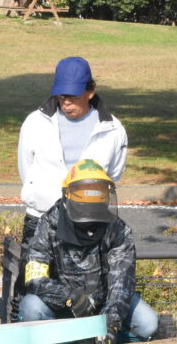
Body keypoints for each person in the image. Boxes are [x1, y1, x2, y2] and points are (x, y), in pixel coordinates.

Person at [20, 159, 157, 344]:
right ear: (67, 200)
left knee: (148, 324)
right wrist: (69, 296)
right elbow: (34, 277)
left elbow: (121, 282)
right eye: (83, 207)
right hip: (61, 305)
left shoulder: (118, 230)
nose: (89, 215)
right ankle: (69, 339)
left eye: (95, 208)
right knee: (31, 309)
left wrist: (110, 324)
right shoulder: (48, 225)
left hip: (104, 304)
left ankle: (101, 338)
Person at [16, 57, 128, 243]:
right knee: (35, 272)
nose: (66, 102)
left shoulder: (113, 129)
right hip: (40, 219)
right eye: (61, 95)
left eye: (73, 96)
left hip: (90, 221)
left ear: (90, 91)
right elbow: (26, 168)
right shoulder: (35, 123)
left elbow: (113, 174)